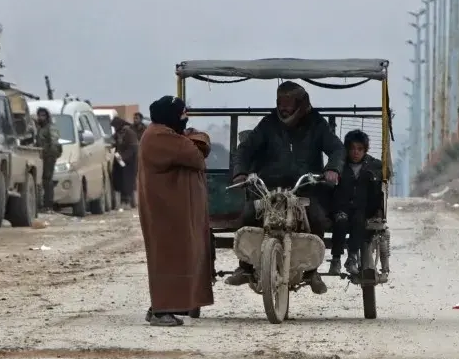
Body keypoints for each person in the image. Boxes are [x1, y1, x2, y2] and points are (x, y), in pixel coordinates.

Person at [225, 81, 345, 294]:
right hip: (269, 188)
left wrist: (333, 168)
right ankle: (245, 267)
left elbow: (337, 148)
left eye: (288, 102)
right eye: (280, 102)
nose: (283, 107)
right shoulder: (268, 123)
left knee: (317, 219)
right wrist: (240, 172)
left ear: (301, 103)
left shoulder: (317, 124)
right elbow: (245, 149)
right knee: (248, 215)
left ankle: (312, 271)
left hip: (304, 187)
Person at [138, 96, 214, 326]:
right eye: (181, 114)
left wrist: (192, 138)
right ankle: (161, 310)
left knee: (179, 257)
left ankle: (171, 305)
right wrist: (194, 138)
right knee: (167, 259)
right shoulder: (160, 136)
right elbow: (196, 155)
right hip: (165, 213)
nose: (185, 119)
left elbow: (197, 145)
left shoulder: (166, 134)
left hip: (173, 212)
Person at [328, 129, 385, 275]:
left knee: (359, 221)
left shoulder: (373, 165)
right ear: (347, 149)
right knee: (341, 221)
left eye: (359, 149)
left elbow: (380, 184)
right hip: (342, 207)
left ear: (365, 150)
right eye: (352, 148)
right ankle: (336, 259)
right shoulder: (339, 164)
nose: (355, 152)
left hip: (361, 208)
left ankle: (352, 258)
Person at [34, 107, 62, 212]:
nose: (41, 117)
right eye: (39, 115)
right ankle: (43, 204)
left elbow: (54, 143)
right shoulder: (40, 128)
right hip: (42, 156)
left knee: (47, 180)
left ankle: (48, 205)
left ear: (47, 116)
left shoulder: (50, 127)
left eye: (43, 115)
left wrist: (50, 156)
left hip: (49, 156)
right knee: (43, 180)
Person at [110, 116, 139, 207]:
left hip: (129, 162)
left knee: (128, 182)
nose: (115, 128)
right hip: (120, 161)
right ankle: (121, 201)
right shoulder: (118, 133)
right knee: (118, 180)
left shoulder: (130, 133)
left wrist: (123, 157)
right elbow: (113, 142)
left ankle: (128, 201)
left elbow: (133, 148)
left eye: (115, 126)